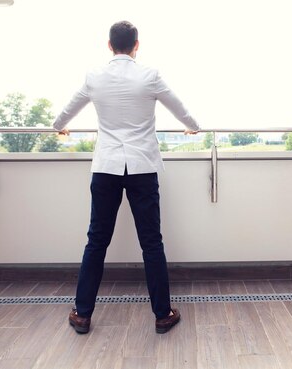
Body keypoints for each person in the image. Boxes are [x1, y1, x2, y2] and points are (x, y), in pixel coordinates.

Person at [53, 21, 200, 335]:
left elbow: (63, 115)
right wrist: (192, 126)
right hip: (142, 166)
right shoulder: (150, 76)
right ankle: (163, 315)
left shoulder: (94, 78)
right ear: (136, 45)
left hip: (106, 167)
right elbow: (181, 109)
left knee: (96, 241)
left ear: (109, 45)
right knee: (151, 243)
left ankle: (82, 314)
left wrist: (59, 127)